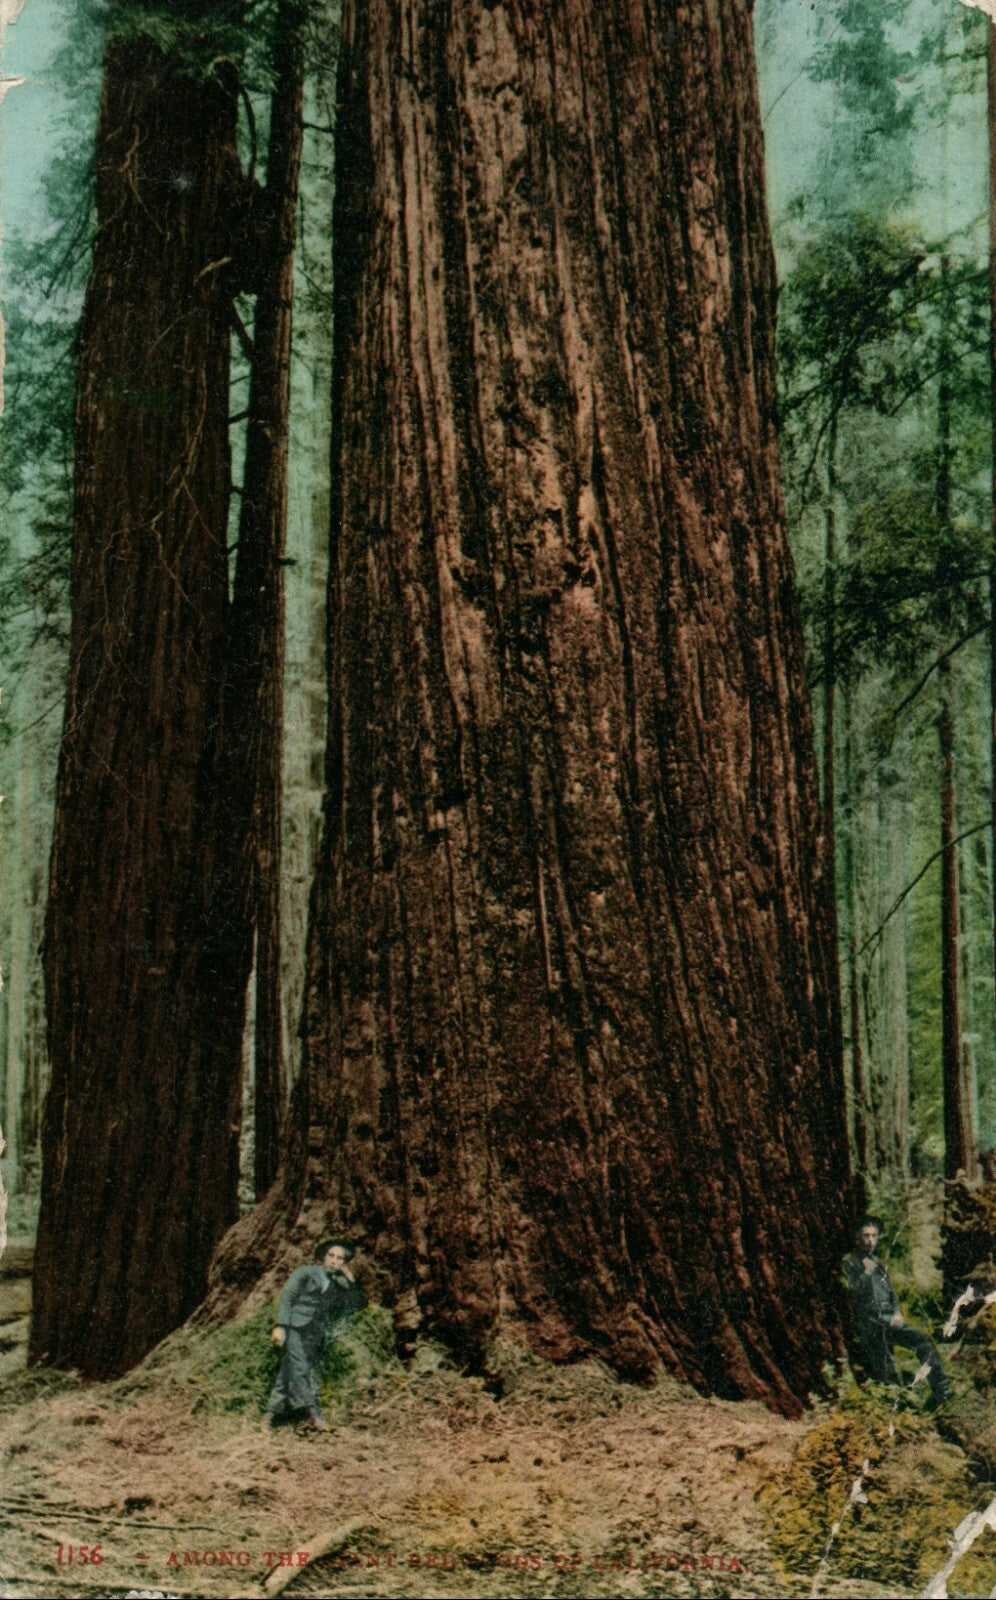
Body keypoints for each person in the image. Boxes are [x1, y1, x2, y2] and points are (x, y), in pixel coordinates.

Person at [260, 1237, 368, 1432]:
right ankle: (314, 1414)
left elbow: (359, 1303)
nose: (334, 1260)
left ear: (344, 1263)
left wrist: (351, 1281)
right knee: (301, 1369)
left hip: (315, 1334)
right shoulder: (306, 1273)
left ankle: (268, 1418)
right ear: (323, 1257)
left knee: (288, 1372)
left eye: (339, 1258)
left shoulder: (339, 1285)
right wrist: (280, 1325)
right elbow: (288, 1297)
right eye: (331, 1255)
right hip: (295, 1327)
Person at [844, 1217, 952, 1405]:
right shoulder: (850, 1263)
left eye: (874, 1236)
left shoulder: (878, 1263)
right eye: (866, 1236)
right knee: (887, 1370)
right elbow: (850, 1292)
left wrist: (897, 1312)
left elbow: (891, 1293)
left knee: (924, 1342)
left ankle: (943, 1392)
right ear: (857, 1239)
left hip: (889, 1320)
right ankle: (898, 1410)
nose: (870, 1240)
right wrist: (866, 1273)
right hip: (871, 1325)